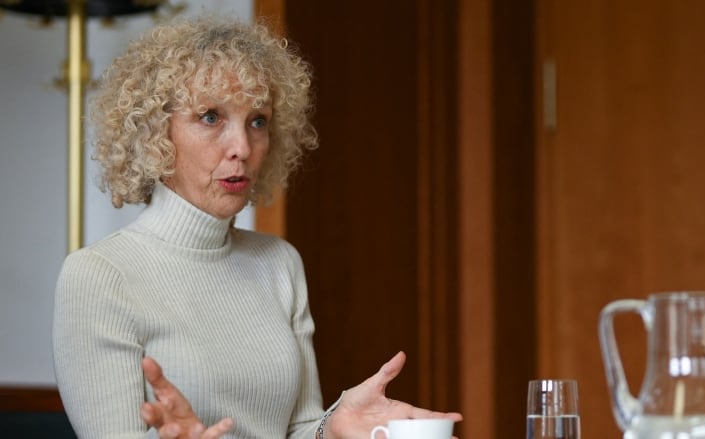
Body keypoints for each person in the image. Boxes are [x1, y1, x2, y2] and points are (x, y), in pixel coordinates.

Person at [52, 14, 462, 439]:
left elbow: (297, 430)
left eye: (258, 120)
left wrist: (330, 429)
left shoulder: (279, 262)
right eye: (210, 117)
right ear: (155, 132)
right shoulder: (99, 277)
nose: (242, 147)